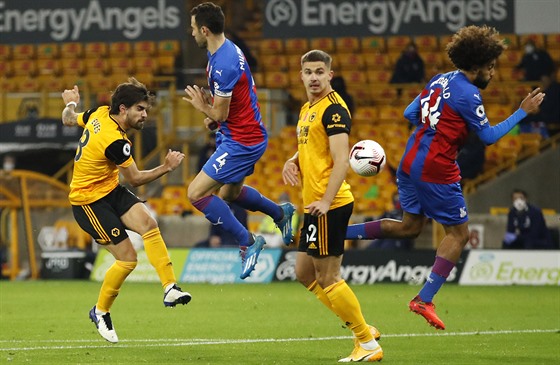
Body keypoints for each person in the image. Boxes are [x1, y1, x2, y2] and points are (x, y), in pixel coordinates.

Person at [345, 25, 545, 330]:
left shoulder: (439, 79)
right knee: (459, 235)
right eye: (490, 68)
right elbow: (488, 137)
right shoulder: (469, 93)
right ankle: (424, 299)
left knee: (410, 227)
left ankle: (339, 231)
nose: (492, 74)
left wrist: (432, 130)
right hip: (437, 168)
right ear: (476, 66)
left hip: (410, 160)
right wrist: (522, 112)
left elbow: (409, 113)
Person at [60, 78, 192, 344]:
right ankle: (100, 311)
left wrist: (71, 102)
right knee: (128, 259)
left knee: (148, 224)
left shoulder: (98, 113)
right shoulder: (116, 142)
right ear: (123, 109)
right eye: (140, 109)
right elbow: (135, 179)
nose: (145, 115)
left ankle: (170, 288)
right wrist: (166, 167)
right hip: (88, 202)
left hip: (109, 190)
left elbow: (68, 118)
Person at [282, 50, 383, 363]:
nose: (313, 77)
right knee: (303, 272)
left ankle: (366, 342)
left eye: (319, 72)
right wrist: (293, 159)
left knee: (329, 277)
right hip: (313, 205)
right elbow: (314, 147)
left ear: (330, 74)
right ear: (301, 75)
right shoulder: (306, 109)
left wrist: (326, 200)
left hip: (330, 204)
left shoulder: (334, 110)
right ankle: (363, 328)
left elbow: (342, 159)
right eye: (308, 72)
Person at [183, 2, 295, 280]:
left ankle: (248, 241)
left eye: (194, 27)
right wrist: (215, 119)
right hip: (240, 134)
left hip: (242, 141)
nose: (191, 31)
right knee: (229, 195)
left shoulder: (223, 64)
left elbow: (220, 111)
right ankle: (280, 213)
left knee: (196, 193)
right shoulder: (225, 50)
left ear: (205, 30)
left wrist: (204, 108)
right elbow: (228, 109)